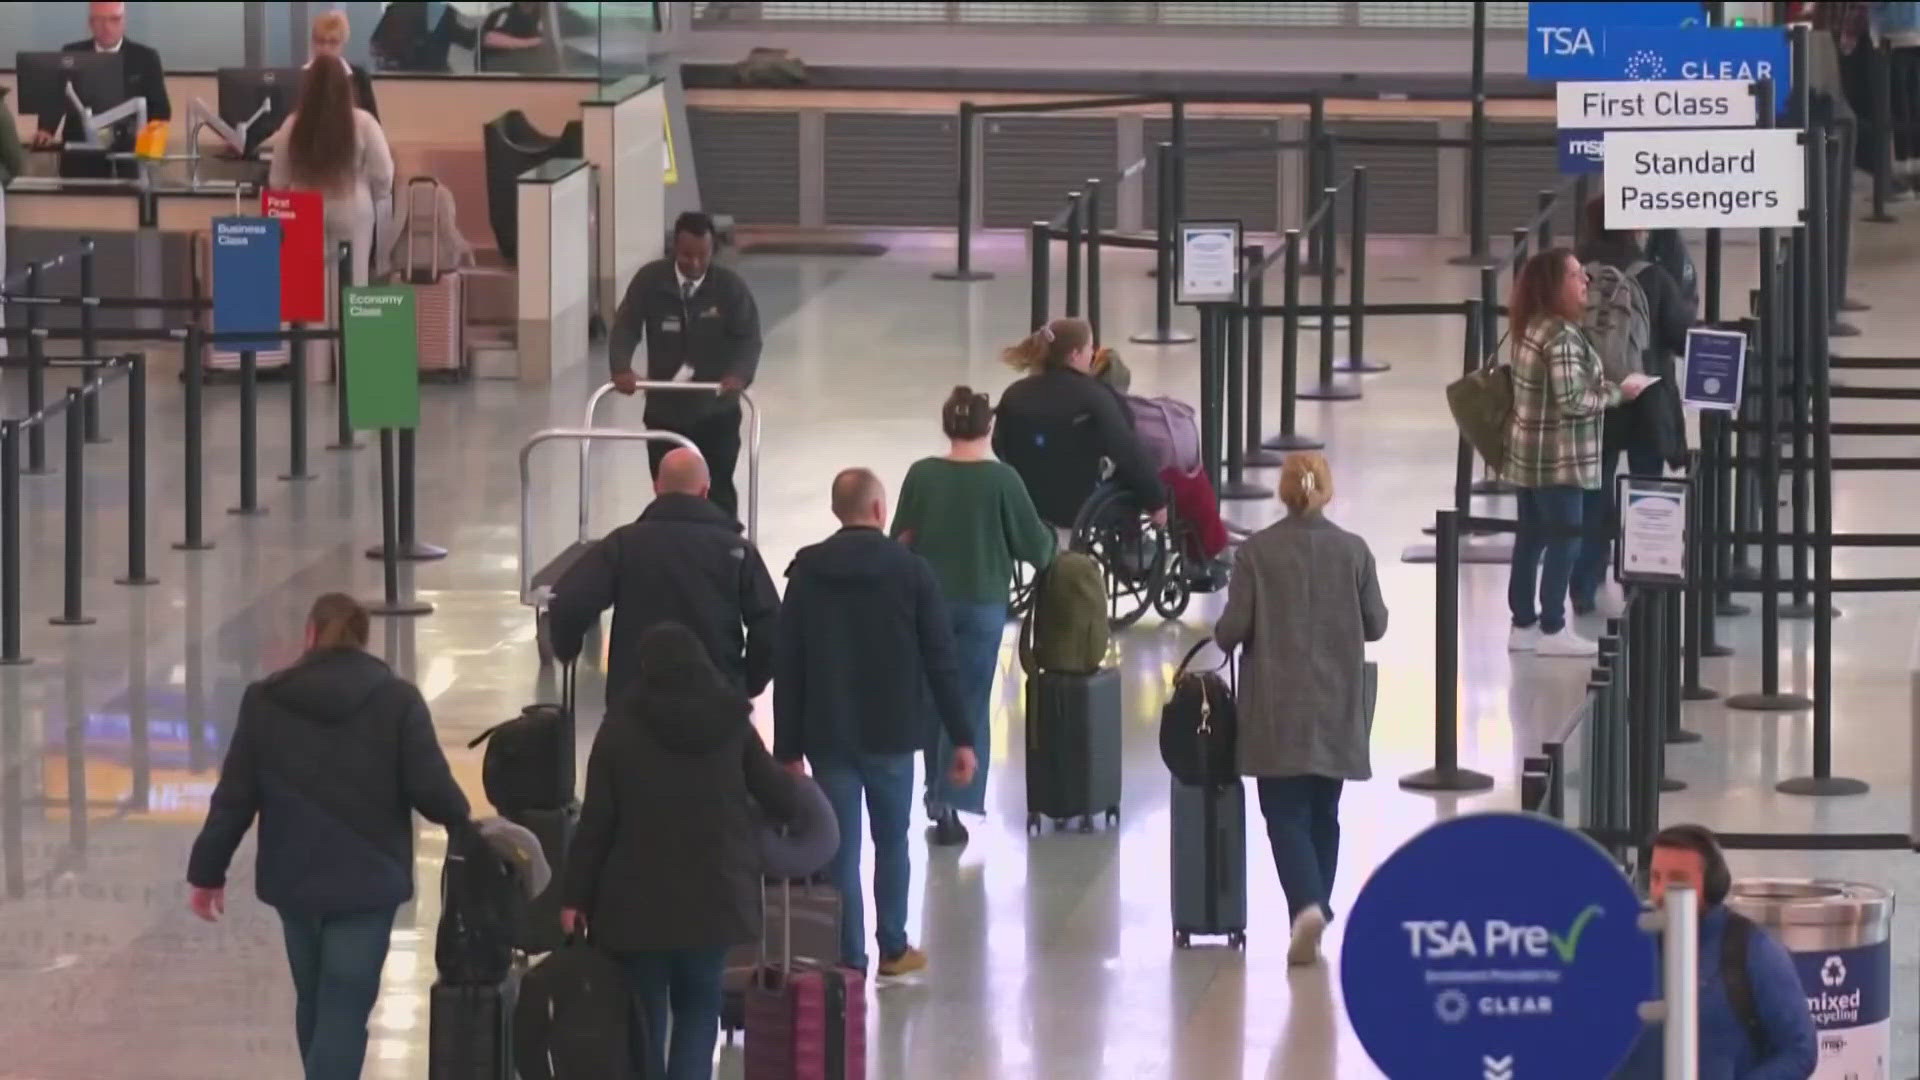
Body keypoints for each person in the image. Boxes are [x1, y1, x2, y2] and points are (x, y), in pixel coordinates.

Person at [185, 594, 471, 1080]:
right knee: (344, 1004)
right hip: (369, 882)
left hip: (294, 880)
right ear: (362, 641)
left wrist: (207, 872)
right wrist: (467, 826)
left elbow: (234, 797)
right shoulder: (397, 700)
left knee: (315, 998)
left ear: (311, 635)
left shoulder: (265, 700)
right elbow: (432, 792)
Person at [559, 623, 801, 1080]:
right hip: (715, 897)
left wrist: (575, 898)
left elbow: (596, 824)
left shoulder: (619, 729)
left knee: (647, 1013)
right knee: (698, 1006)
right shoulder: (732, 723)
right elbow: (782, 800)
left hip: (636, 904)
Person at [774, 468, 979, 977]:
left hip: (826, 733)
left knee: (837, 848)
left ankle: (847, 957)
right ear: (880, 511)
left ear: (837, 511)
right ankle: (892, 946)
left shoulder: (806, 573)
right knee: (892, 840)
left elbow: (789, 664)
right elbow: (941, 661)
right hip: (891, 734)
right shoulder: (912, 572)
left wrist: (786, 748)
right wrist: (962, 736)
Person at [1212, 452, 1386, 967]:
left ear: (1282, 493)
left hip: (1275, 704)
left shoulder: (1255, 554)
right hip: (1337, 701)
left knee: (1283, 812)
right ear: (1326, 491)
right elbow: (1375, 624)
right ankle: (1315, 910)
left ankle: (1306, 906)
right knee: (1323, 813)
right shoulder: (1354, 552)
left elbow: (1231, 631)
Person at [890, 387, 1056, 846]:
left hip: (928, 603)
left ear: (946, 426)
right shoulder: (1003, 480)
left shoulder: (921, 475)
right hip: (983, 605)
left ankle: (933, 796)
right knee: (968, 700)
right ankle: (955, 799)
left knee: (930, 698)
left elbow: (900, 538)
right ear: (989, 428)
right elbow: (1038, 550)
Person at [1501, 248, 1653, 659]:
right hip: (1560, 459)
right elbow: (1573, 399)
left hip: (1528, 455)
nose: (1584, 280)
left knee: (1531, 539)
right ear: (1554, 285)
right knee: (1565, 538)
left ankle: (1523, 623)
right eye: (1574, 275)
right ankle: (1553, 625)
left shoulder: (1531, 328)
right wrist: (1620, 391)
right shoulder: (1563, 336)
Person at [549, 447, 780, 709]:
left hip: (636, 702)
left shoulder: (624, 544)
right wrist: (747, 682)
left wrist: (567, 649)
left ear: (656, 487)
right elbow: (771, 624)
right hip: (716, 702)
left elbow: (569, 601)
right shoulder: (737, 550)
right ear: (705, 491)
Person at [1612, 825, 1817, 1079]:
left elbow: (1800, 1050)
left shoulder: (1752, 950)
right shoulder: (1628, 942)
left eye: (1677, 880)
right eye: (1655, 878)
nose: (1661, 892)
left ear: (1712, 884)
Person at [1574, 198, 1695, 618]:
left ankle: (1583, 584)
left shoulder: (1572, 273)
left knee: (1592, 494)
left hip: (1589, 403)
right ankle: (1641, 582)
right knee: (1648, 490)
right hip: (1646, 400)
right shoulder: (1654, 278)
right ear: (1633, 229)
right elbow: (1683, 338)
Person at [608, 212, 763, 521]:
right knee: (669, 492)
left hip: (716, 412)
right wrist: (621, 367)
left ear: (713, 251)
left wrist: (739, 375)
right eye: (686, 255)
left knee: (717, 487)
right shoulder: (650, 282)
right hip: (665, 411)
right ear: (673, 250)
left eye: (702, 256)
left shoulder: (729, 288)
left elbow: (749, 338)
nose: (694, 264)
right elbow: (626, 326)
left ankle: (722, 549)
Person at [994, 317, 1167, 537]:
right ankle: (1132, 547)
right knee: (1133, 475)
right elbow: (1127, 449)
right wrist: (1156, 501)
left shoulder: (1014, 394)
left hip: (1027, 503)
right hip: (1078, 505)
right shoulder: (1095, 396)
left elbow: (999, 445)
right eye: (1089, 348)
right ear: (1074, 355)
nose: (1093, 354)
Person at [267, 56, 394, 288]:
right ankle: (349, 324)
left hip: (304, 210)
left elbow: (277, 180)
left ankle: (317, 326)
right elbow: (384, 175)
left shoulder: (292, 124)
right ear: (347, 88)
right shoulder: (364, 122)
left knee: (310, 288)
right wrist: (375, 193)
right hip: (352, 209)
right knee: (353, 284)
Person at [31, 2, 172, 180]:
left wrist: (147, 141)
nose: (107, 27)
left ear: (124, 21)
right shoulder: (72, 53)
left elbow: (161, 110)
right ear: (90, 23)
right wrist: (46, 129)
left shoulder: (146, 58)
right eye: (100, 20)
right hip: (80, 157)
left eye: (114, 20)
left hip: (128, 158)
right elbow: (56, 98)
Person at [308, 10, 380, 119]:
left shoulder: (359, 78)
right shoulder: (299, 77)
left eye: (333, 42)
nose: (325, 48)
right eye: (320, 41)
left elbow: (374, 123)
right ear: (312, 42)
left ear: (343, 43)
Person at [479, 0, 550, 72]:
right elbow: (486, 40)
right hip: (502, 76)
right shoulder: (498, 15)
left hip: (541, 74)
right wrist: (535, 42)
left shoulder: (554, 16)